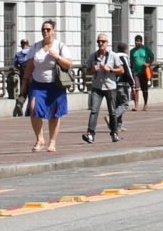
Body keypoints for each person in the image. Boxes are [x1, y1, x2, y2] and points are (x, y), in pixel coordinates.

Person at [19, 21, 74, 153]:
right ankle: (40, 139)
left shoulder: (60, 46)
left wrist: (58, 57)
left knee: (54, 113)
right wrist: (24, 82)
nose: (45, 32)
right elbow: (30, 65)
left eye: (48, 29)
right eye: (43, 29)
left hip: (55, 84)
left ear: (53, 31)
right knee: (33, 108)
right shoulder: (36, 46)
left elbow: (69, 64)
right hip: (38, 84)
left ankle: (52, 142)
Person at [85, 32, 129, 144]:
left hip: (110, 87)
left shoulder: (113, 55)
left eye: (103, 41)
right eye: (99, 41)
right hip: (97, 87)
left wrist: (110, 70)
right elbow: (87, 71)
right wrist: (93, 69)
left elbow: (121, 70)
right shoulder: (93, 56)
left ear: (107, 43)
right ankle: (90, 134)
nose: (101, 43)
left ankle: (114, 133)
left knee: (112, 111)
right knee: (94, 110)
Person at [129, 34, 153, 111]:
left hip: (144, 72)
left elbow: (152, 57)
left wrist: (148, 63)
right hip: (136, 72)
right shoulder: (132, 51)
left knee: (145, 89)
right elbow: (131, 62)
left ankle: (145, 104)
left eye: (138, 41)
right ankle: (136, 105)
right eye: (136, 41)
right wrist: (131, 72)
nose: (137, 43)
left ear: (141, 41)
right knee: (136, 88)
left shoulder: (146, 49)